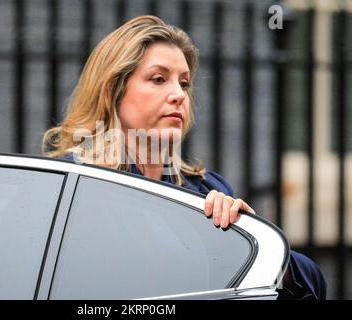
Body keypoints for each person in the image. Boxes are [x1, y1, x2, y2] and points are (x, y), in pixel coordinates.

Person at [42, 15, 326, 300]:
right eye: (158, 79)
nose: (178, 94)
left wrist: (253, 240)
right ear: (113, 91)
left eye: (184, 83)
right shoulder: (73, 185)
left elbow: (311, 283)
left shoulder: (205, 190)